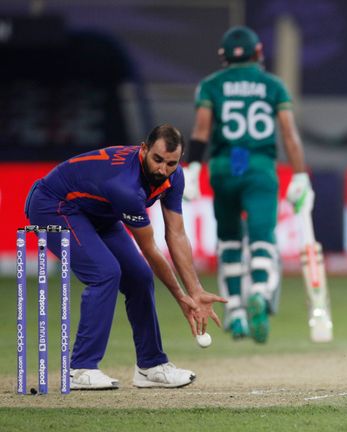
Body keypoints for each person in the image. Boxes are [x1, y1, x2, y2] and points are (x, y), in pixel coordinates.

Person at [24, 124, 227, 390]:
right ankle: (80, 368)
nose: (162, 169)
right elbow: (150, 249)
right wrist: (181, 298)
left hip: (97, 211)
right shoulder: (126, 187)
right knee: (105, 273)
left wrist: (196, 290)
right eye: (157, 159)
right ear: (143, 149)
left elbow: (176, 235)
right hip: (54, 205)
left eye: (171, 163)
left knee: (139, 277)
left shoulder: (174, 177)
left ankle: (150, 366)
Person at [183, 26, 312, 343]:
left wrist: (193, 168)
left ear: (223, 56)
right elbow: (289, 135)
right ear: (259, 52)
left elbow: (201, 130)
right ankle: (258, 289)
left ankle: (236, 312)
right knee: (262, 238)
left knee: (228, 241)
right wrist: (300, 174)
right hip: (259, 166)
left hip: (224, 166)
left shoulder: (212, 85)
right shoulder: (272, 85)